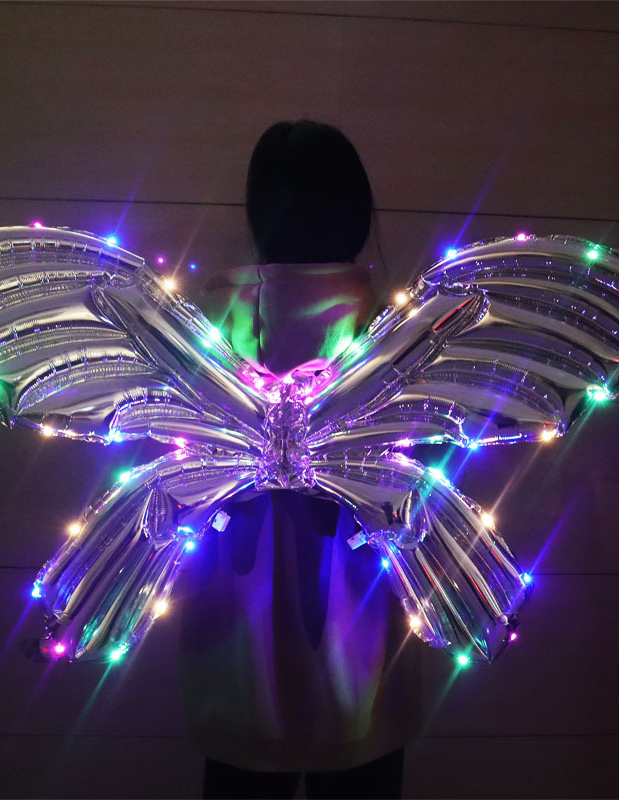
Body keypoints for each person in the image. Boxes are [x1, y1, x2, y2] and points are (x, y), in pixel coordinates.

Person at [174, 120, 450, 800]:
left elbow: (178, 467)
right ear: (353, 208)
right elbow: (431, 466)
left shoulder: (202, 324)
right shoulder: (397, 327)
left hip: (235, 618)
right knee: (361, 761)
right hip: (362, 621)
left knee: (240, 771)